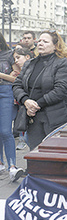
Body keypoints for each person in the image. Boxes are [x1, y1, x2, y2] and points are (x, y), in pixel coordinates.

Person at [12, 30, 67, 151]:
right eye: (39, 41)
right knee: (36, 155)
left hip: (55, 117)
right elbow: (17, 84)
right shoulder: (29, 63)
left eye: (45, 41)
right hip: (33, 117)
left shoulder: (63, 63)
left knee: (55, 155)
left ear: (55, 46)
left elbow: (61, 90)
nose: (40, 43)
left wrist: (36, 104)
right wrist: (26, 101)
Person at [0, 32, 24, 181]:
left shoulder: (9, 54)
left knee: (5, 131)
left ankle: (12, 167)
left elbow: (18, 77)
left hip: (6, 92)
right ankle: (2, 164)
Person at [12, 46, 33, 151]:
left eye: (18, 57)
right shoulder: (19, 70)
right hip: (23, 104)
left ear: (27, 57)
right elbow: (16, 85)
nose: (16, 61)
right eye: (15, 58)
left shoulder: (33, 68)